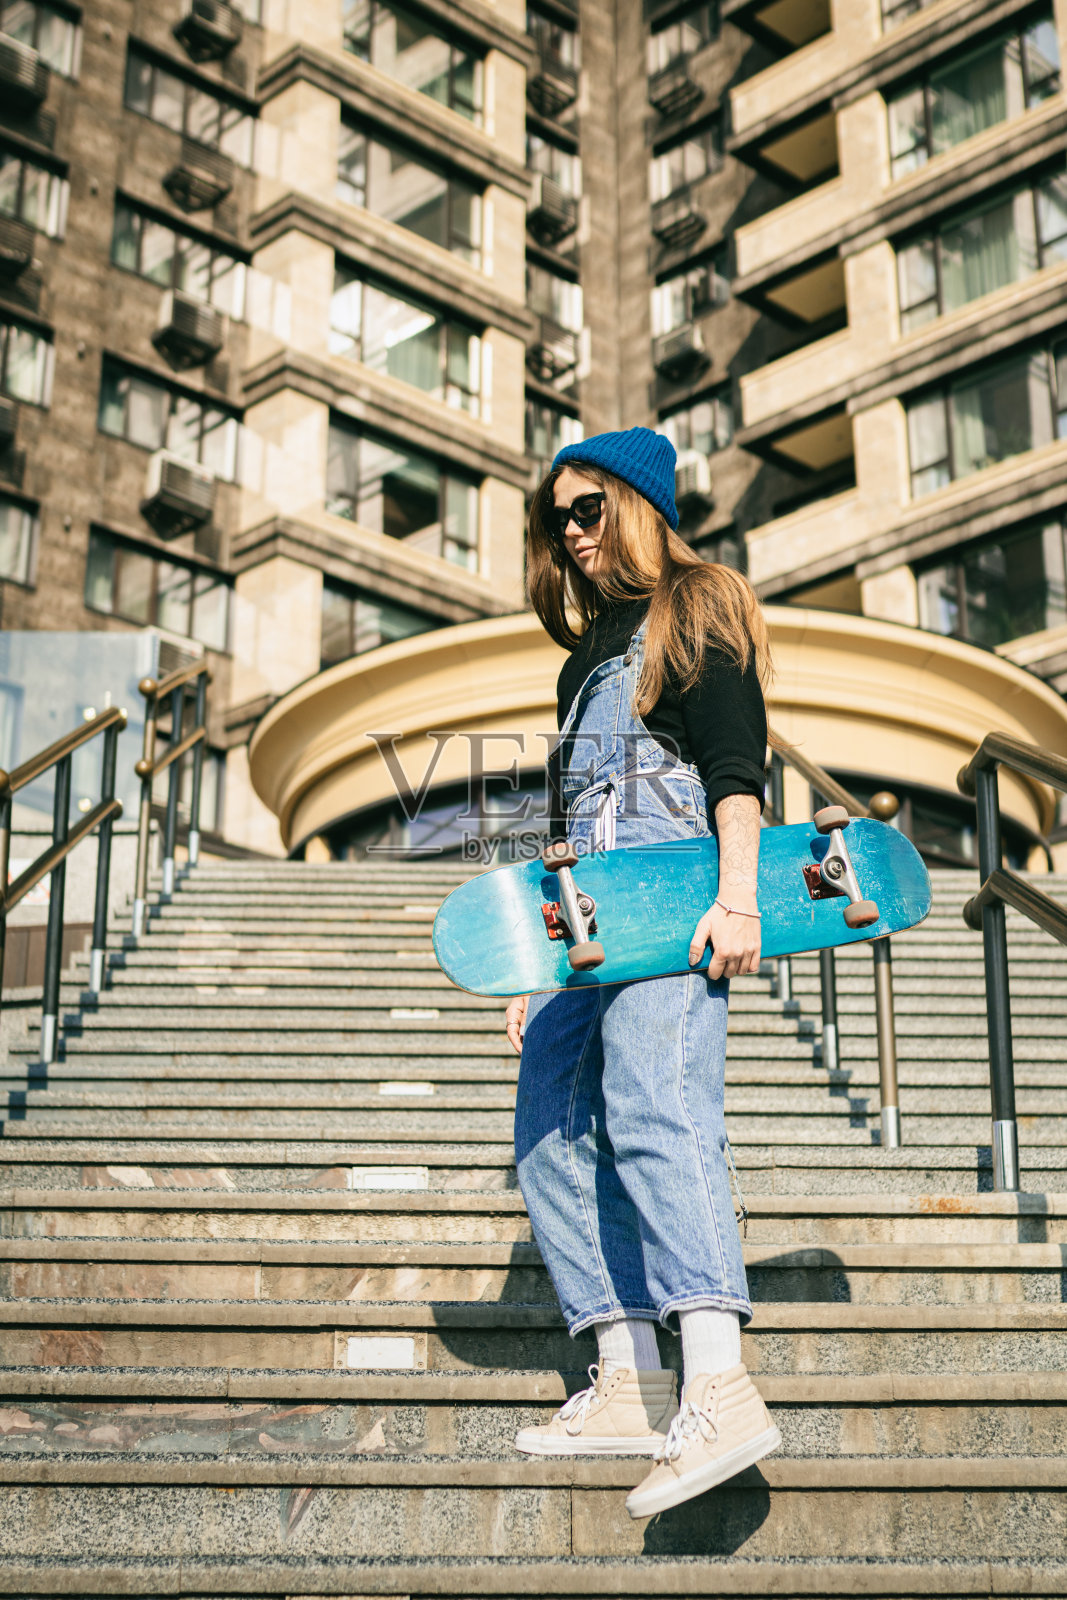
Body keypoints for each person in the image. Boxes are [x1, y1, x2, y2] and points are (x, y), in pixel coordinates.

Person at [504, 426, 780, 1519]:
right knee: (547, 1131)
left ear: (637, 502)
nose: (568, 532)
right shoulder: (583, 659)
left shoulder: (696, 603)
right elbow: (573, 824)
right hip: (587, 929)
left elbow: (730, 759)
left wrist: (740, 893)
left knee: (655, 1105)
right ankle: (622, 1377)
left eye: (587, 509)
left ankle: (715, 1380)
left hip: (674, 903)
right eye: (554, 517)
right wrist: (538, 959)